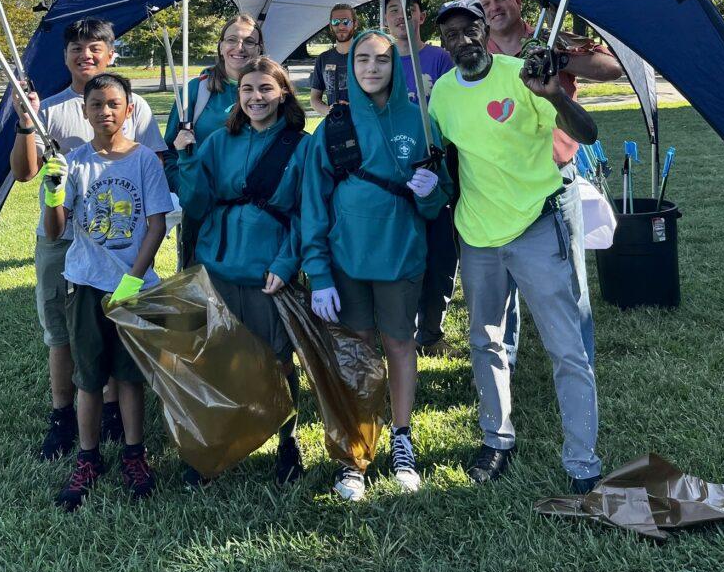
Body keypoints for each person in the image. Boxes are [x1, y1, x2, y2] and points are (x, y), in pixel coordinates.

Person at [429, 0, 602, 493]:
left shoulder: (523, 76)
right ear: (443, 44)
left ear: (485, 31)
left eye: (470, 29)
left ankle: (582, 461)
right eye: (451, 34)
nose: (461, 40)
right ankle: (496, 439)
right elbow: (449, 155)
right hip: (477, 236)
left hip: (537, 227)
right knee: (485, 341)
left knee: (566, 347)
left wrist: (555, 96)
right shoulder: (441, 94)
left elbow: (587, 134)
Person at [301, 30, 452, 501]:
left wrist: (433, 193)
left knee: (400, 344)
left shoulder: (422, 121)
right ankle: (357, 451)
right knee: (359, 354)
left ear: (395, 65)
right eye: (362, 59)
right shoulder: (332, 127)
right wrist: (320, 275)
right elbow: (313, 205)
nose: (371, 67)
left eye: (382, 60)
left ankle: (403, 439)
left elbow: (438, 201)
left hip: (401, 256)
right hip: (347, 262)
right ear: (349, 67)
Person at [10, 17, 166, 460]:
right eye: (76, 48)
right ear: (65, 58)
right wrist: (27, 124)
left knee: (115, 328)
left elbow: (150, 178)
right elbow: (25, 174)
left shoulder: (135, 107)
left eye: (95, 47)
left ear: (111, 53)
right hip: (64, 238)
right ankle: (64, 419)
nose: (86, 55)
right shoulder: (52, 109)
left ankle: (115, 414)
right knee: (64, 330)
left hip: (119, 240)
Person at [473, 0, 622, 368]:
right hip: (500, 184)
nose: (494, 7)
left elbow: (611, 69)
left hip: (556, 180)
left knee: (569, 284)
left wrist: (558, 57)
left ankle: (579, 363)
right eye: (485, 3)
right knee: (502, 285)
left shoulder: (553, 37)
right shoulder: (478, 50)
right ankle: (503, 367)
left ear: (517, 0)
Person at [42, 72, 173, 511]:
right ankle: (88, 457)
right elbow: (57, 230)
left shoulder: (144, 162)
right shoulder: (75, 161)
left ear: (129, 110)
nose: (105, 112)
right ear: (85, 110)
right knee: (89, 378)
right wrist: (53, 193)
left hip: (132, 288)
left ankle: (135, 454)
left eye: (114, 104)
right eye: (96, 105)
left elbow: (156, 224)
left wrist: (134, 281)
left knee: (130, 376)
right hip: (85, 283)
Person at [176, 56, 309, 489]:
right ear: (238, 95)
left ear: (283, 93)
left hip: (268, 268)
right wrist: (187, 159)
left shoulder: (300, 145)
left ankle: (288, 441)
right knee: (218, 357)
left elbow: (307, 213)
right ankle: (221, 441)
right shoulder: (218, 140)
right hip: (217, 263)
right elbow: (196, 205)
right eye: (248, 89)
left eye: (265, 89)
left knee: (277, 359)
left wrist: (286, 263)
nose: (256, 97)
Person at [385, 0, 459, 358]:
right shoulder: (380, 60)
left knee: (440, 250)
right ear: (385, 19)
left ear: (420, 16)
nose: (401, 16)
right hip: (395, 173)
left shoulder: (440, 59)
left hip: (438, 167)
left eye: (408, 9)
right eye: (393, 10)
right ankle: (400, 327)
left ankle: (430, 331)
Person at [164, 13, 264, 264]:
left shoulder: (270, 93)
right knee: (201, 294)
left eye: (249, 41)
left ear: (260, 49)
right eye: (232, 39)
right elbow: (168, 153)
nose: (239, 48)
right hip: (203, 215)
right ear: (220, 46)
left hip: (258, 215)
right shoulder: (196, 90)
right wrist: (188, 189)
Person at [309, 3, 358, 115]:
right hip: (336, 125)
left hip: (363, 123)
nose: (341, 27)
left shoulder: (365, 55)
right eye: (335, 22)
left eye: (346, 22)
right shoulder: (323, 59)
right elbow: (314, 99)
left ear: (355, 24)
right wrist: (330, 111)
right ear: (331, 26)